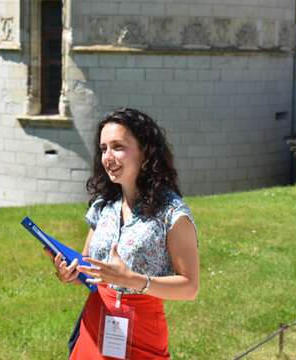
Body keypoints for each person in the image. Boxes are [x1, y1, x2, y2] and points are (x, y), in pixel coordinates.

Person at [45, 108, 199, 359]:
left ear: (145, 151)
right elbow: (88, 266)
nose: (108, 157)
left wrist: (132, 279)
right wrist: (70, 272)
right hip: (95, 323)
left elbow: (190, 287)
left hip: (142, 329)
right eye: (103, 148)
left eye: (117, 146)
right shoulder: (104, 206)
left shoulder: (173, 214)